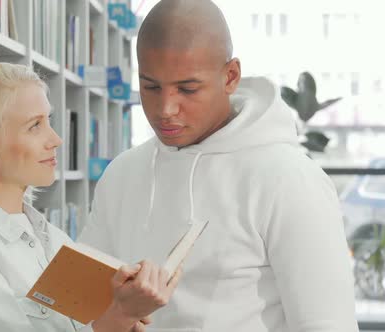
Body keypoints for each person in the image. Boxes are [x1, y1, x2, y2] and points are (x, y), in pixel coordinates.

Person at [78, 0, 359, 331]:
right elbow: (83, 309)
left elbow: (326, 324)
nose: (166, 108)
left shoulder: (289, 179)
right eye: (151, 86)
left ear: (230, 76)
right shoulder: (122, 173)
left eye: (187, 88)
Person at [0, 62, 181, 332]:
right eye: (34, 126)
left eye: (49, 122)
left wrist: (124, 312)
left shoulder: (53, 238)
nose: (56, 139)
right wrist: (119, 317)